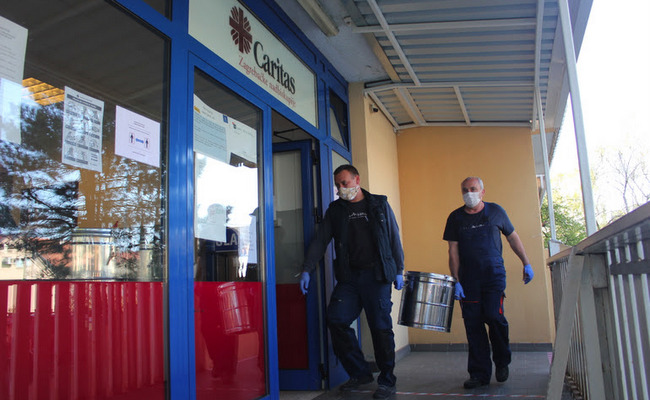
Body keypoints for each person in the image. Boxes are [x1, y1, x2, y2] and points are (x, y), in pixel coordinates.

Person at [299, 164, 405, 400]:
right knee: (336, 319)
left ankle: (387, 380)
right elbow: (321, 240)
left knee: (380, 328)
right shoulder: (336, 210)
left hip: (377, 276)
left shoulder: (379, 204)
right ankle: (360, 372)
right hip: (349, 278)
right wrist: (307, 269)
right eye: (337, 185)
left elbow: (393, 236)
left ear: (356, 180)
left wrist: (399, 269)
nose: (340, 188)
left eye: (344, 183)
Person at [443, 177, 534, 389]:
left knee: (494, 316)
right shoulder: (455, 218)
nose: (469, 193)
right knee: (473, 325)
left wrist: (526, 263)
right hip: (468, 280)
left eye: (473, 189)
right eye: (465, 190)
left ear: (482, 191)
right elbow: (453, 251)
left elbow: (512, 237)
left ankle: (502, 361)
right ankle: (479, 373)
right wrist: (456, 280)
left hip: (493, 277)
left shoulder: (496, 211)